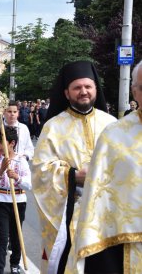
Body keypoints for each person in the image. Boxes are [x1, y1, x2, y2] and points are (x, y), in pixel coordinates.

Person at [32, 61, 117, 273]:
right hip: (71, 214)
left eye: (88, 86)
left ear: (96, 89)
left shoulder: (112, 124)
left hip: (109, 215)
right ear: (67, 93)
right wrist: (73, 176)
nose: (83, 92)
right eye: (77, 88)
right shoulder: (53, 127)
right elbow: (40, 171)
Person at [67, 61, 142, 273]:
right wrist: (70, 175)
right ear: (134, 92)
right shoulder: (115, 135)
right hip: (128, 242)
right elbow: (98, 201)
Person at [0, 127, 32, 274]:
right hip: (0, 201)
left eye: (0, 142)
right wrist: (1, 171)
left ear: (12, 143)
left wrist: (17, 177)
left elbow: (29, 184)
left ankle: (14, 264)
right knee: (2, 237)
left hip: (18, 201)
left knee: (16, 235)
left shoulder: (21, 161)